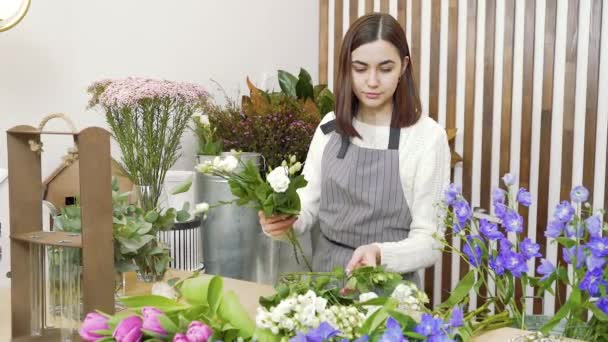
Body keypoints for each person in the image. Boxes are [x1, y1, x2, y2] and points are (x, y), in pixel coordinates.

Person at [259, 13, 450, 286]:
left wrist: (380, 253)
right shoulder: (329, 127)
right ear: (347, 68)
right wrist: (285, 220)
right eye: (360, 68)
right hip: (325, 285)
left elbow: (430, 242)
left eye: (385, 69)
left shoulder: (426, 138)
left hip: (390, 293)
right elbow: (307, 208)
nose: (372, 81)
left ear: (404, 67)